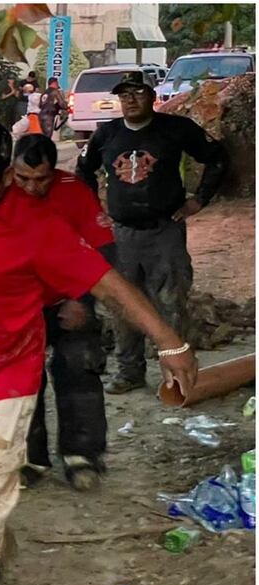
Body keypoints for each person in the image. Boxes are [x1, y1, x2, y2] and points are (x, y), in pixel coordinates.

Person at [0, 117, 198, 585]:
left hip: (5, 380)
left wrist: (170, 344)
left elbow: (107, 283)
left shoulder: (36, 226)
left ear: (6, 178)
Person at [76, 71, 227, 395]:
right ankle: (129, 371)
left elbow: (217, 158)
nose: (130, 100)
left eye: (138, 93)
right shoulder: (107, 134)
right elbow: (83, 169)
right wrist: (95, 208)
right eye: (124, 94)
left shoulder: (175, 129)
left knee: (171, 301)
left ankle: (174, 376)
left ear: (151, 96)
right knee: (123, 305)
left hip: (165, 231)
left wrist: (199, 200)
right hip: (123, 235)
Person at [12, 134, 116, 491]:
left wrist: (82, 300)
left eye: (41, 179)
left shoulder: (74, 191)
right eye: (23, 178)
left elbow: (104, 253)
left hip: (66, 301)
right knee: (22, 380)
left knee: (79, 367)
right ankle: (29, 458)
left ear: (53, 172)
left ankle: (82, 455)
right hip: (19, 306)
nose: (31, 187)